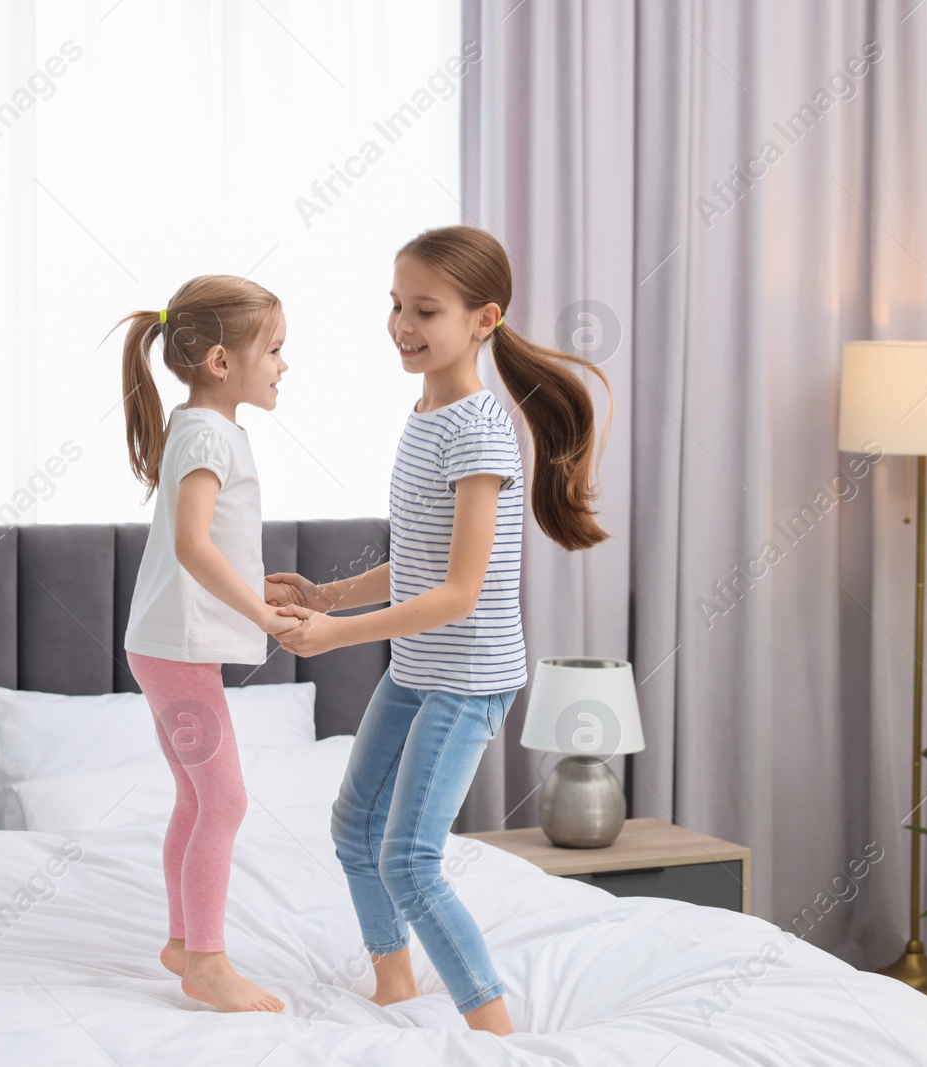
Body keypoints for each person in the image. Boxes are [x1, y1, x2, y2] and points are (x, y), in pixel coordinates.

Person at [267, 226, 610, 1035]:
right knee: (354, 827)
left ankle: (494, 1029)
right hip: (419, 665)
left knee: (409, 858)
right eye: (395, 304)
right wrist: (330, 592)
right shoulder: (424, 413)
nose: (401, 323)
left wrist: (335, 635)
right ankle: (395, 985)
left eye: (424, 309)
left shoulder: (480, 430)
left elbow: (459, 592)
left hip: (467, 675)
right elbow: (420, 560)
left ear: (484, 318)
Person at [116, 274, 298, 1014]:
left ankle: (182, 941)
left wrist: (263, 588)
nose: (285, 365)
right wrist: (256, 607)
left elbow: (205, 542)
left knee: (198, 799)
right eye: (277, 350)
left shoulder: (204, 431)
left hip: (169, 643)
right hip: (177, 647)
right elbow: (193, 544)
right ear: (223, 362)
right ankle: (208, 960)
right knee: (223, 801)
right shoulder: (205, 433)